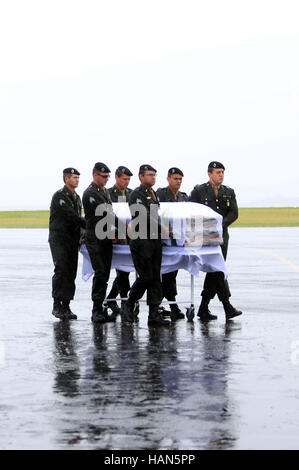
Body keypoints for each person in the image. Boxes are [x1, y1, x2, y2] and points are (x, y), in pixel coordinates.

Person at [190, 161, 242, 321]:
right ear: (209, 174)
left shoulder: (229, 192)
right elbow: (192, 210)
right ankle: (225, 305)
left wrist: (221, 224)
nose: (221, 175)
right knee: (217, 269)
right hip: (204, 235)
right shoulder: (199, 191)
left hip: (221, 236)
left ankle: (205, 307)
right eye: (218, 172)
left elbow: (234, 212)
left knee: (217, 269)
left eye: (222, 172)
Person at [122, 164, 170, 326]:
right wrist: (162, 228)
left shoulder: (152, 193)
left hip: (154, 240)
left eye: (155, 175)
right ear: (141, 176)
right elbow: (144, 216)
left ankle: (153, 313)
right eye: (150, 174)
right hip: (142, 241)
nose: (153, 177)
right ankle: (129, 304)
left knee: (156, 278)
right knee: (146, 277)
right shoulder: (137, 194)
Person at [49, 167, 86, 320]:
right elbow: (72, 217)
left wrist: (79, 240)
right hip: (60, 240)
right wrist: (90, 223)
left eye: (78, 178)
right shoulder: (60, 196)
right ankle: (57, 305)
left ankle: (66, 305)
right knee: (61, 271)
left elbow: (77, 220)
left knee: (71, 273)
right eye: (74, 177)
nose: (77, 180)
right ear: (66, 179)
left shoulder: (76, 197)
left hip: (72, 241)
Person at [82, 162, 117, 323]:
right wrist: (125, 228)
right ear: (95, 175)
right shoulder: (90, 193)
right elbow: (106, 215)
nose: (106, 179)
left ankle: (101, 309)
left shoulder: (104, 192)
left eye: (108, 177)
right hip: (95, 239)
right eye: (103, 176)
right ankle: (96, 310)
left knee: (105, 274)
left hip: (105, 238)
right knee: (100, 273)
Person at [156, 167, 189, 321]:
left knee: (172, 274)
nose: (178, 182)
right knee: (167, 275)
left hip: (178, 241)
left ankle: (165, 305)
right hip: (165, 240)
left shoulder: (183, 197)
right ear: (168, 179)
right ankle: (171, 306)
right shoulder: (161, 194)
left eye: (180, 179)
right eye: (175, 179)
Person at [106, 166, 134, 316]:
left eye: (129, 179)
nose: (127, 182)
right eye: (124, 179)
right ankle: (124, 302)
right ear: (117, 178)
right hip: (116, 237)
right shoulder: (109, 194)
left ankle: (111, 298)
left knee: (126, 271)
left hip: (130, 237)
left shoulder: (131, 194)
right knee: (122, 271)